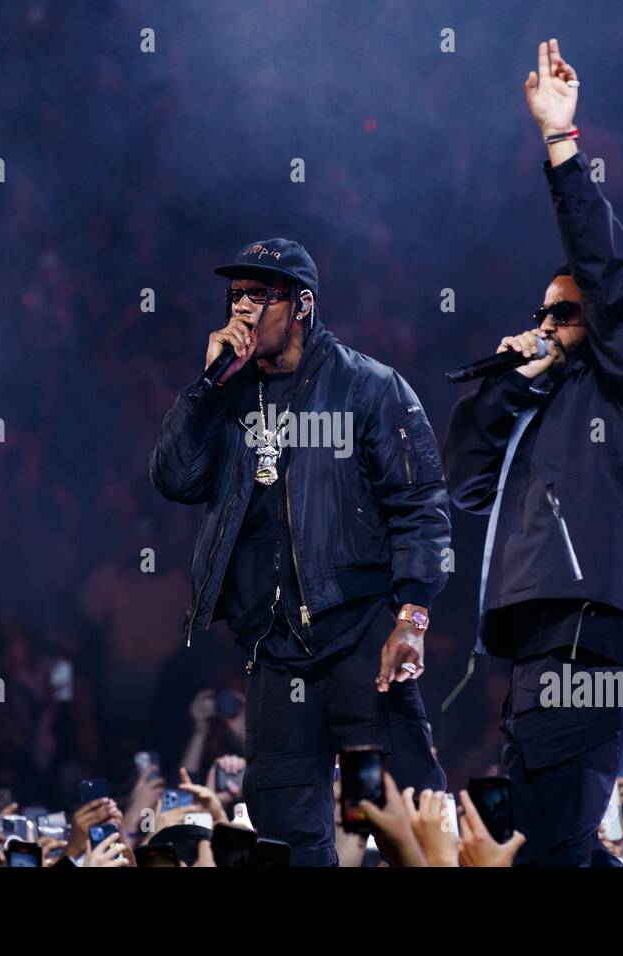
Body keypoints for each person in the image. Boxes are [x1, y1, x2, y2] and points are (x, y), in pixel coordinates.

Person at [441, 40, 623, 866]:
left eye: (567, 315)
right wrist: (506, 385)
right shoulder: (543, 404)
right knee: (538, 840)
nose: (549, 325)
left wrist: (562, 148)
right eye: (543, 313)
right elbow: (468, 486)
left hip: (601, 639)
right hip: (539, 643)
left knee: (549, 841)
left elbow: (611, 274)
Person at [150, 238, 449, 865]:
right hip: (274, 648)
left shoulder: (368, 387)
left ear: (303, 303)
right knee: (284, 832)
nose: (244, 309)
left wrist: (413, 617)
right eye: (235, 295)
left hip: (360, 636)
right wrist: (205, 386)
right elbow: (173, 478)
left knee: (403, 809)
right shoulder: (229, 397)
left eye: (262, 295)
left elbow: (421, 507)